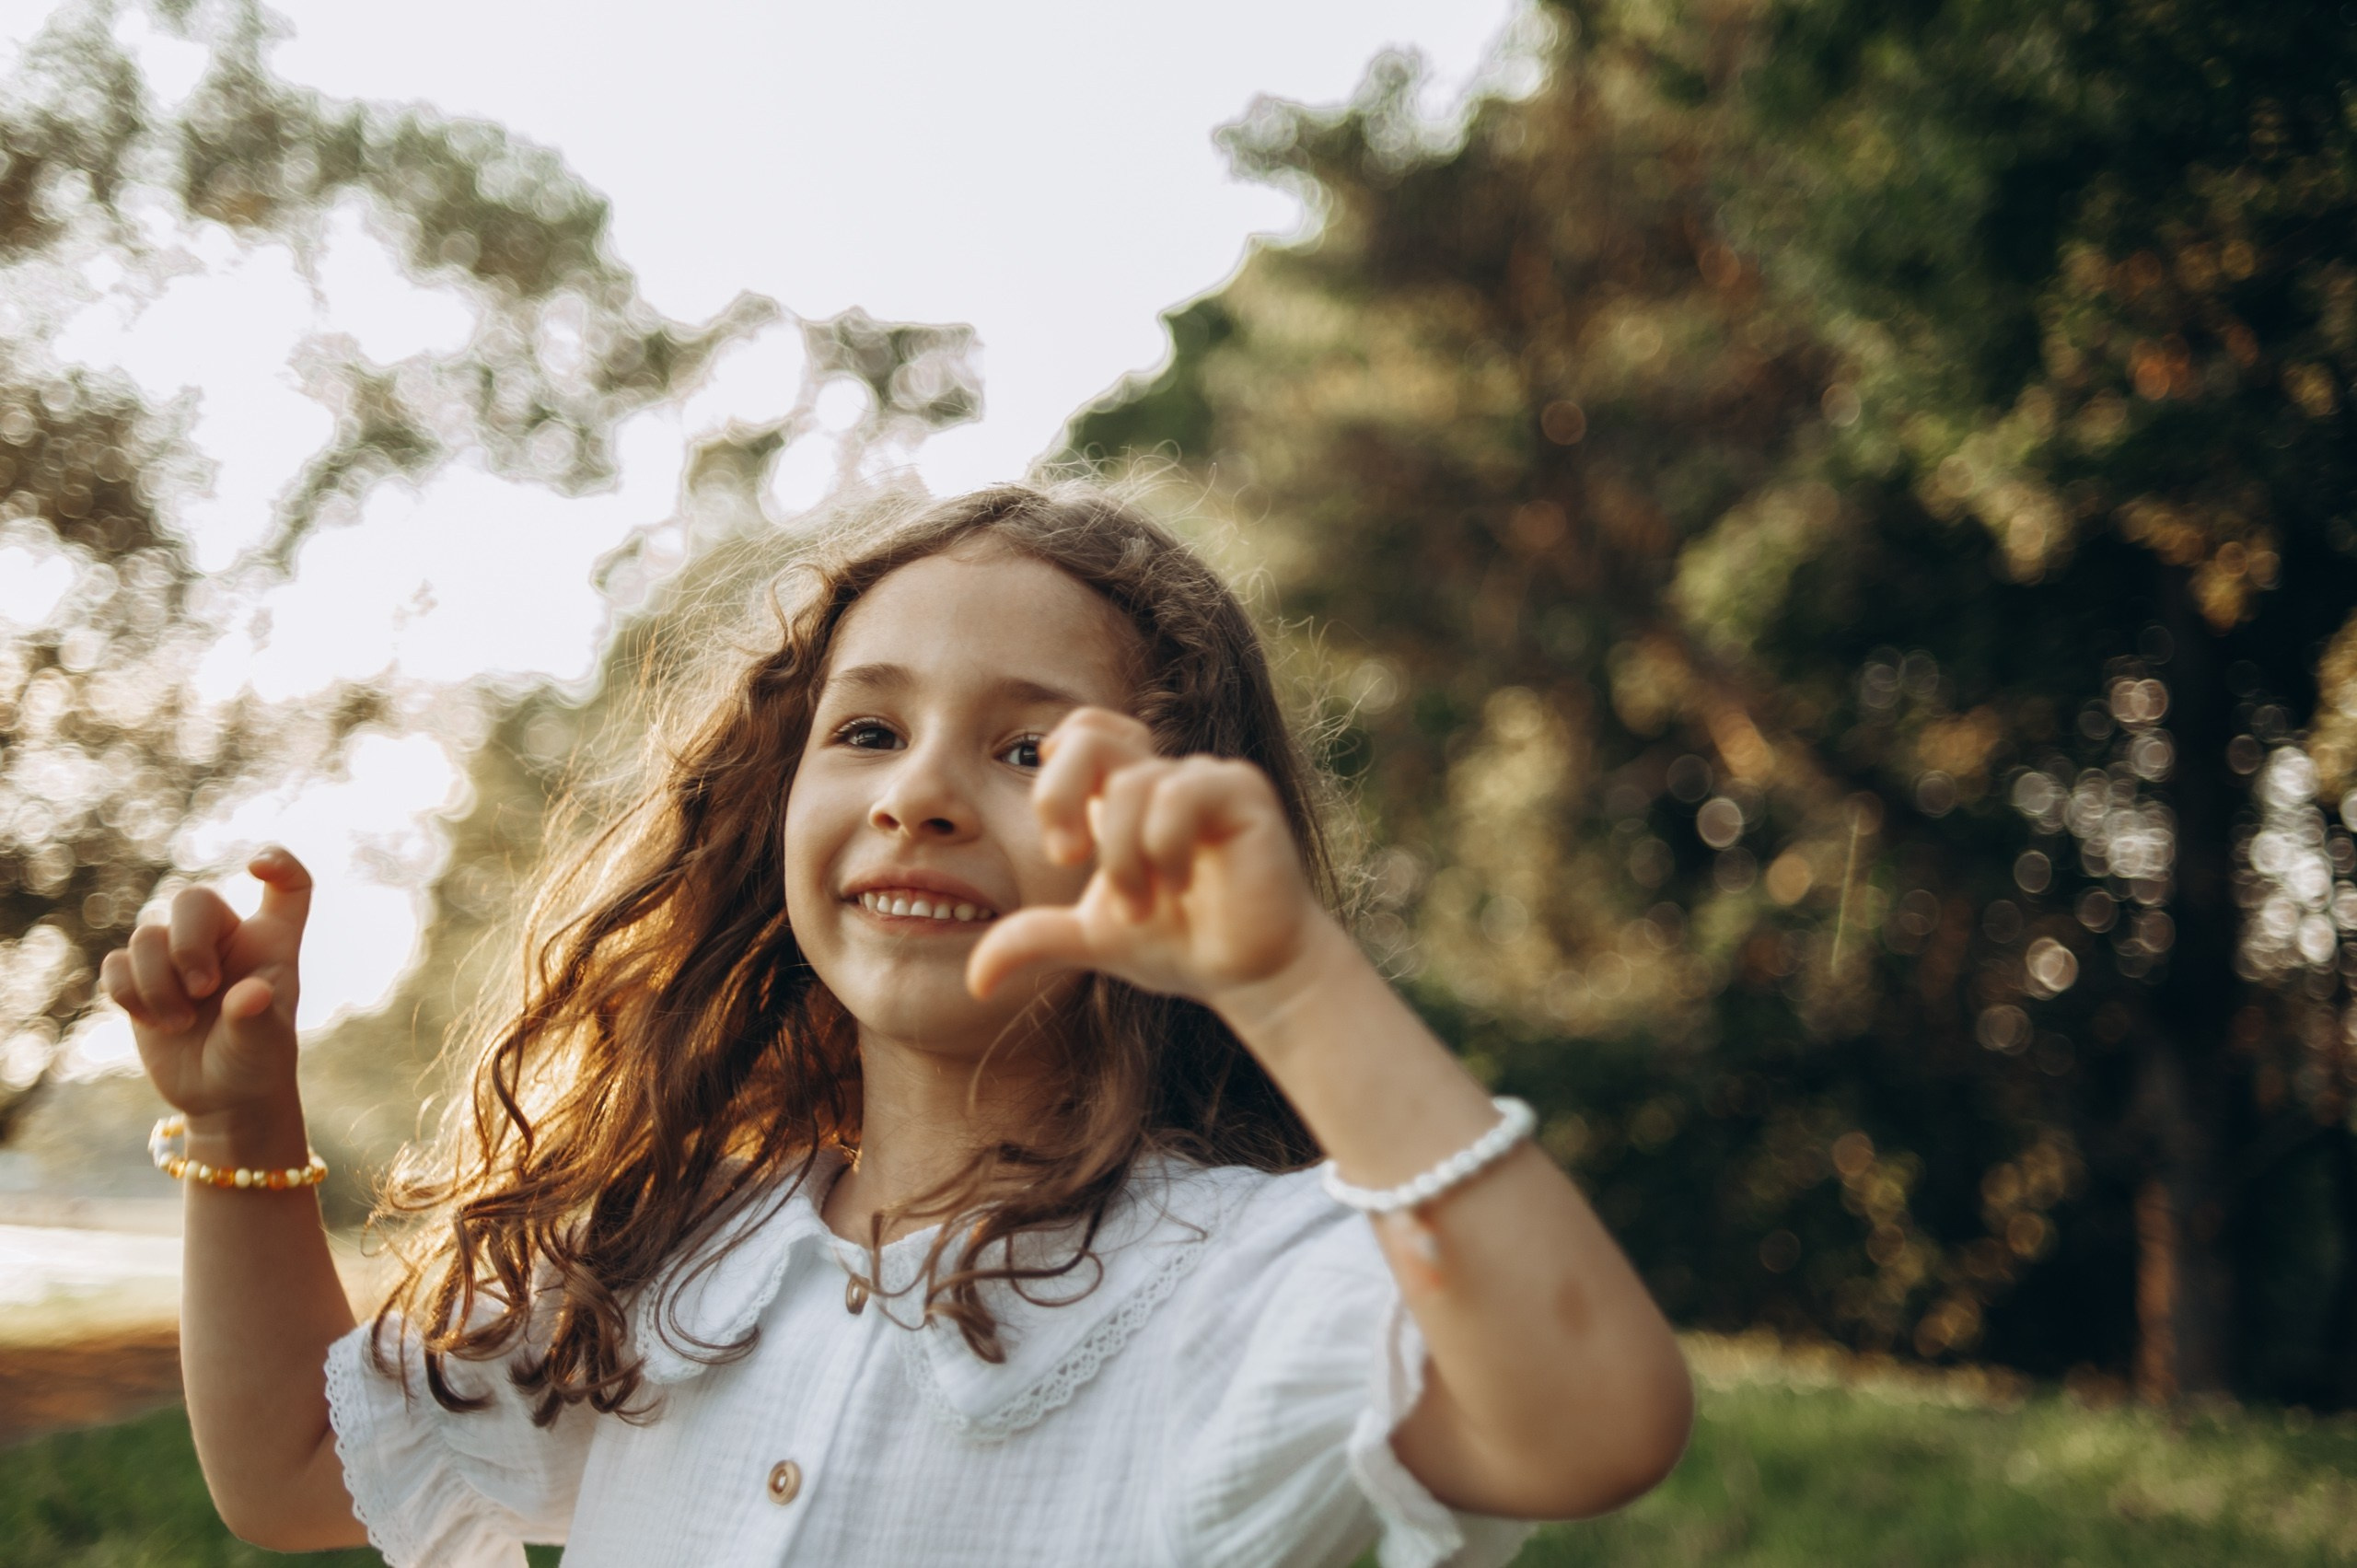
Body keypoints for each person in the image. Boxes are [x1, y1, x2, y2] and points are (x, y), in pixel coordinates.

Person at [103, 482, 1692, 1568]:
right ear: (771, 806)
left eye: (1028, 752)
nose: (923, 791)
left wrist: (1282, 978)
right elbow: (299, 1474)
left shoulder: (1240, 1283)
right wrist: (245, 1132)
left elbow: (1593, 1418)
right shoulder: (679, 1254)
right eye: (868, 728)